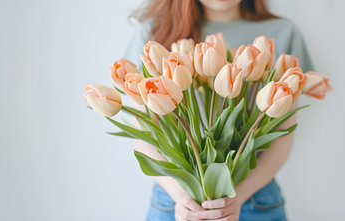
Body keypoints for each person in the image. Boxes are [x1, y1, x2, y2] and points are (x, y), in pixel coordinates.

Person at [123, 0, 314, 220]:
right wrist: (181, 196)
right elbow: (145, 132)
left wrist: (239, 195)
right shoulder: (154, 33)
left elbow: (283, 134)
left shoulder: (283, 33)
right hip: (176, 200)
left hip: (254, 197)